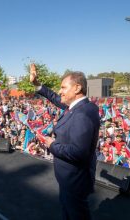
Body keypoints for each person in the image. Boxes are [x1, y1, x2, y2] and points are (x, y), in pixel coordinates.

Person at [30, 63, 100, 220]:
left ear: (76, 88)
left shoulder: (82, 114)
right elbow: (55, 98)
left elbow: (78, 153)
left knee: (76, 215)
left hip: (75, 180)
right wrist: (37, 84)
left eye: (63, 87)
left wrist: (52, 144)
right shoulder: (80, 106)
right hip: (70, 178)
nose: (60, 91)